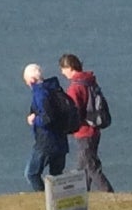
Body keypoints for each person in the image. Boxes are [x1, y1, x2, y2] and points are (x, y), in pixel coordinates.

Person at [59, 52, 115, 191]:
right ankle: (82, 193)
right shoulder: (90, 81)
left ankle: (108, 193)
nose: (62, 72)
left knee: (90, 166)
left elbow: (74, 112)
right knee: (82, 166)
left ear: (70, 68)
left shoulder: (75, 88)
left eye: (63, 68)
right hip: (95, 128)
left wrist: (66, 127)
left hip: (84, 131)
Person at [23, 63, 70, 191]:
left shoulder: (40, 94)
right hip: (61, 140)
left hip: (46, 142)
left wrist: (34, 120)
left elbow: (47, 118)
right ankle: (57, 202)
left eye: (26, 81)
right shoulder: (54, 89)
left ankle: (44, 198)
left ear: (32, 80)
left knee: (31, 173)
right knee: (56, 176)